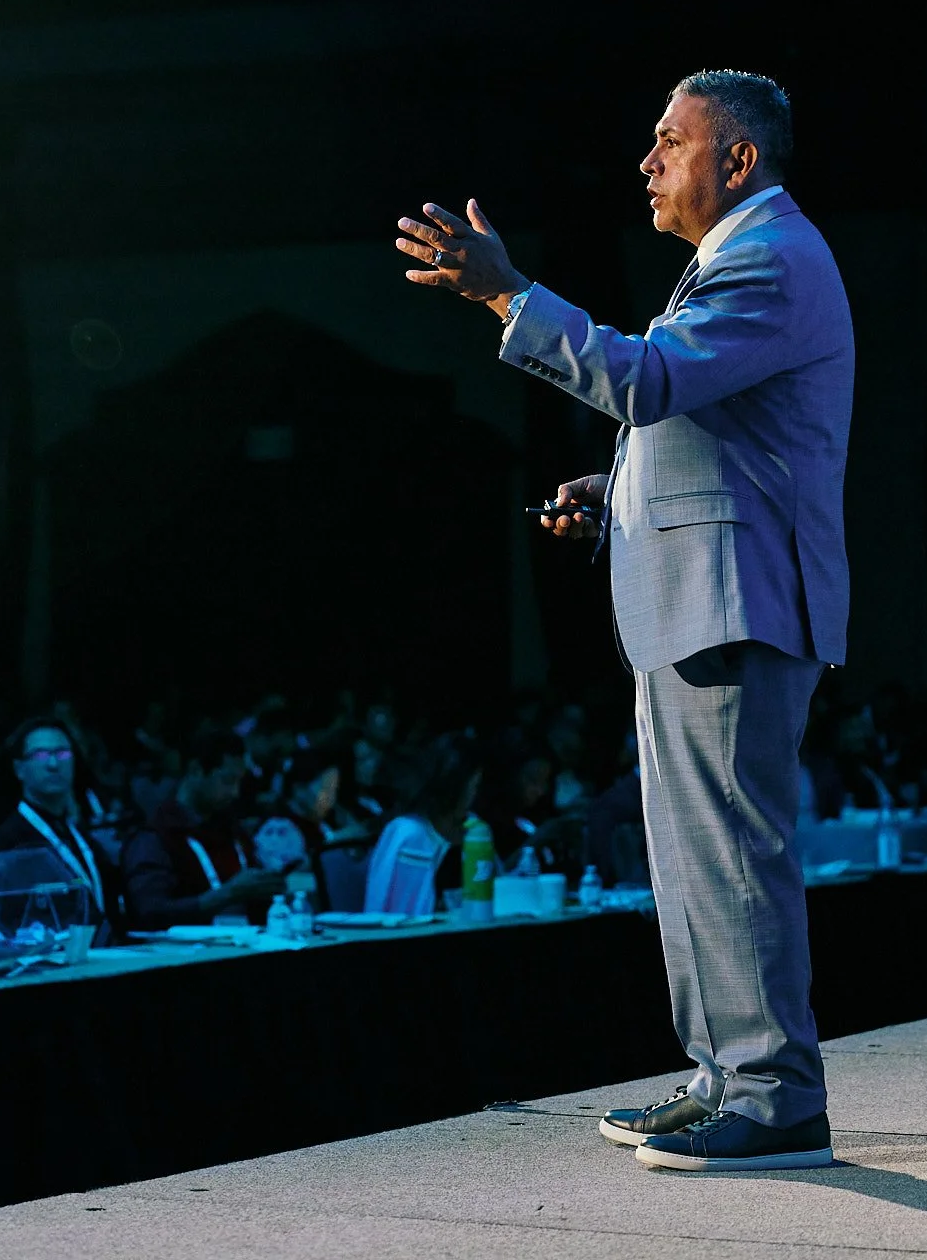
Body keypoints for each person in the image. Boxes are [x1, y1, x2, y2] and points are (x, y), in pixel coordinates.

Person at [398, 69, 848, 1171]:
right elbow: (710, 424)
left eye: (668, 142)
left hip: (737, 604)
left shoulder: (769, 254)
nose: (647, 162)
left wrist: (509, 294)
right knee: (694, 859)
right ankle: (723, 1078)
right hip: (699, 595)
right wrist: (615, 499)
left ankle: (777, 1096)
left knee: (734, 853)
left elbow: (647, 383)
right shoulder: (734, 258)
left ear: (735, 161)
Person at [120, 730, 285, 929]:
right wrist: (227, 894)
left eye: (239, 782)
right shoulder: (155, 838)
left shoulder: (232, 832)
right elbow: (151, 912)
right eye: (227, 781)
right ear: (196, 770)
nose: (235, 793)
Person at [0, 718, 116, 923]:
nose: (53, 764)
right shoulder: (7, 842)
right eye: (40, 755)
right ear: (19, 768)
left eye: (63, 753)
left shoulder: (77, 833)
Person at [362, 739, 480, 916]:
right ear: (454, 786)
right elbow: (404, 917)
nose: (475, 795)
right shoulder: (409, 834)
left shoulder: (474, 830)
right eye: (473, 786)